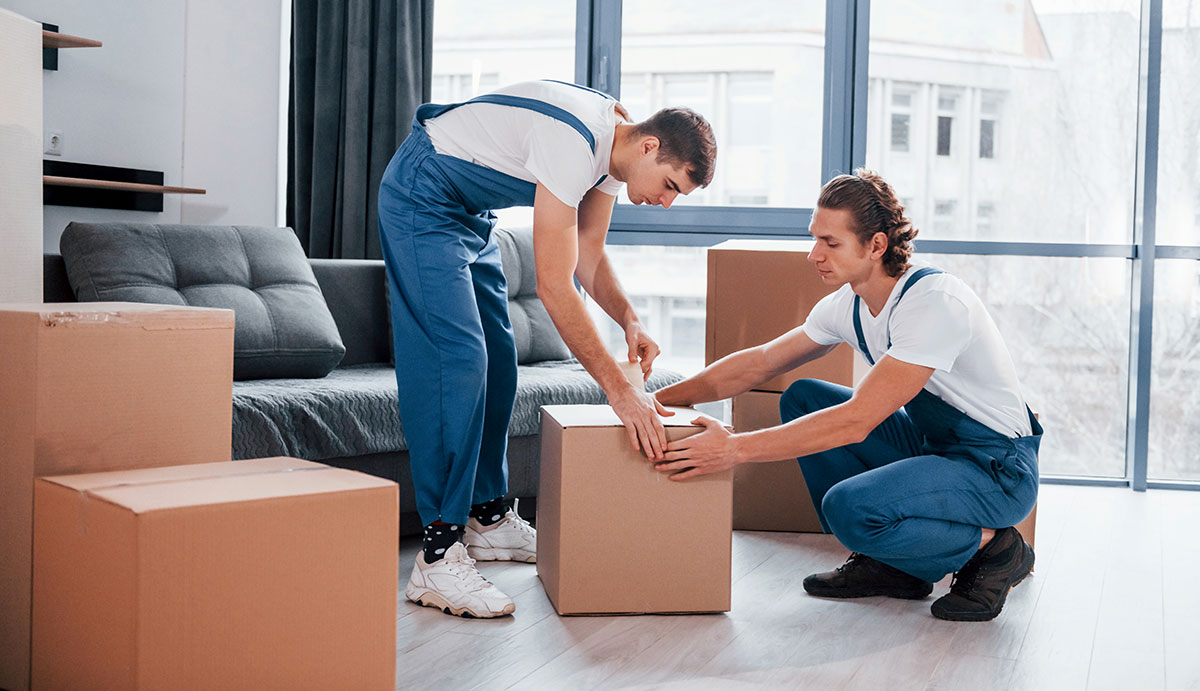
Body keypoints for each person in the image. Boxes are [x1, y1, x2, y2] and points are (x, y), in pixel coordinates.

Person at [377, 79, 717, 618]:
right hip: (423, 196)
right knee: (460, 362)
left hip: (470, 214)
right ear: (651, 147)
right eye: (671, 185)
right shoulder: (573, 142)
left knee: (501, 362)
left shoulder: (613, 155)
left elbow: (587, 255)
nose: (668, 203)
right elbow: (555, 286)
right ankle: (437, 557)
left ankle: (487, 519)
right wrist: (618, 393)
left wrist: (628, 318)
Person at [653, 169, 1041, 622]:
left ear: (876, 245)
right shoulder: (849, 303)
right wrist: (659, 398)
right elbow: (760, 361)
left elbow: (856, 420)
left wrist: (733, 450)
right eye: (814, 238)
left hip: (994, 467)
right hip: (934, 447)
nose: (814, 254)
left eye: (830, 243)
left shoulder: (933, 302)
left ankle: (996, 549)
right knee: (802, 397)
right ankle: (896, 568)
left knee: (849, 508)